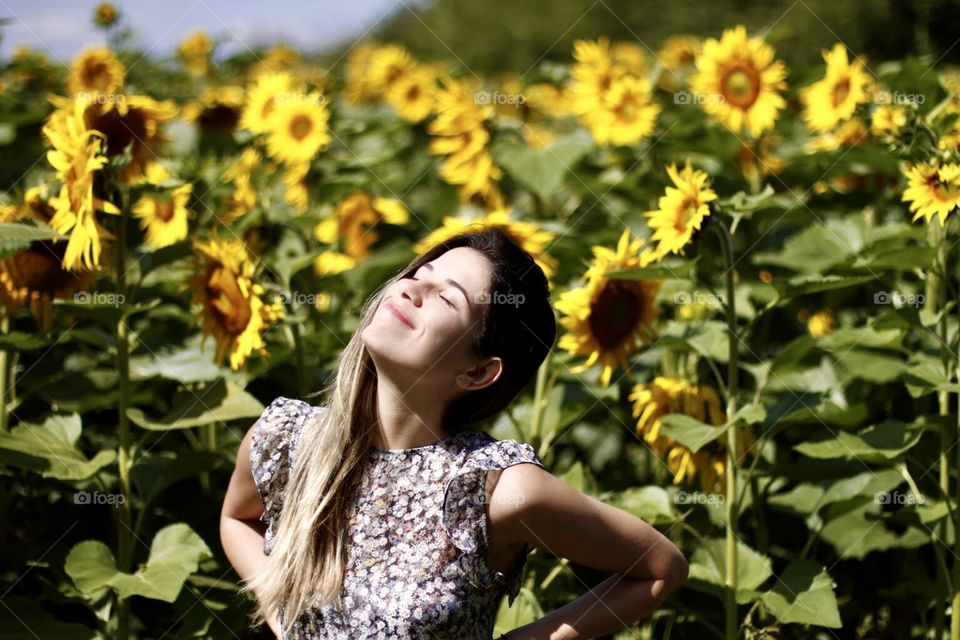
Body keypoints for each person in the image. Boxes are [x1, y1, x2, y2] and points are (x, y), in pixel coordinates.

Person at [220, 226, 688, 639]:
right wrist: (282, 609)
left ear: (478, 372)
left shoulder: (490, 489)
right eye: (418, 274)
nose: (412, 290)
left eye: (447, 298)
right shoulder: (288, 440)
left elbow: (659, 568)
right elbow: (237, 519)